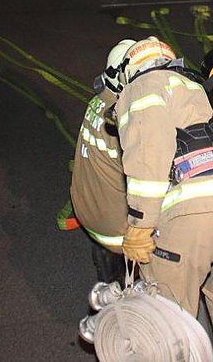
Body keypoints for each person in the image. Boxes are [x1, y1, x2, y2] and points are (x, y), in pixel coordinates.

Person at [116, 37, 213, 361]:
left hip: (198, 207)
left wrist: (140, 225)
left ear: (131, 69)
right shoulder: (194, 87)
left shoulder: (143, 86)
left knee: (168, 308)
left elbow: (150, 150)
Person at [70, 39, 135, 288]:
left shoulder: (98, 102)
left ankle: (109, 284)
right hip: (115, 229)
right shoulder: (124, 116)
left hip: (88, 213)